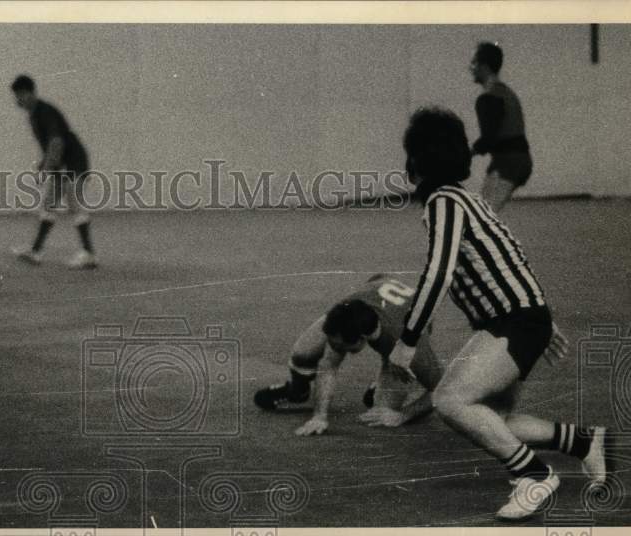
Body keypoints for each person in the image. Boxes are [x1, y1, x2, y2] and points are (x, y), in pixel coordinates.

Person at [389, 107, 607, 520]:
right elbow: (511, 255)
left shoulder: (442, 203)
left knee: (450, 400)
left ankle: (535, 476)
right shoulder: (470, 200)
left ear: (417, 161)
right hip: (522, 318)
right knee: (495, 418)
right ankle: (582, 442)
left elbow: (438, 272)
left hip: (515, 321)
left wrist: (407, 342)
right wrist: (543, 317)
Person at [254, 274, 445, 435]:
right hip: (375, 288)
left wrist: (403, 415)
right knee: (303, 353)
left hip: (404, 320)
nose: (336, 349)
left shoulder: (408, 344)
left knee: (382, 410)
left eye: (341, 346)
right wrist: (319, 416)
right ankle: (298, 392)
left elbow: (443, 391)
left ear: (362, 339)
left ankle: (392, 382)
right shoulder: (347, 312)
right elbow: (328, 365)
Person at [10, 75, 96, 269]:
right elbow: (52, 144)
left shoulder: (44, 112)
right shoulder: (34, 114)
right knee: (49, 204)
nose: (17, 100)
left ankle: (89, 254)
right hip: (62, 163)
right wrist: (45, 163)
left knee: (74, 203)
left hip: (73, 160)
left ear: (29, 93)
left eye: (19, 95)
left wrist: (46, 169)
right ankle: (36, 251)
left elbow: (57, 142)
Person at [470, 42, 533, 212]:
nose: (470, 67)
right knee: (481, 214)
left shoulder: (488, 98)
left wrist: (464, 154)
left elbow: (488, 140)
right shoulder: (507, 92)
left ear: (484, 67)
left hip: (509, 163)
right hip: (514, 160)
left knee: (481, 218)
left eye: (474, 63)